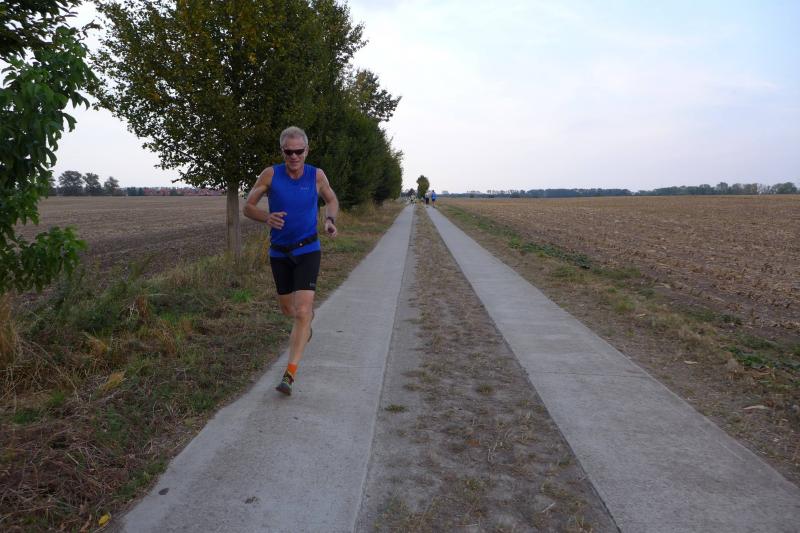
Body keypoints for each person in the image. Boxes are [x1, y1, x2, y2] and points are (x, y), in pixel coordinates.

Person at [243, 126, 339, 396]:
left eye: (299, 151)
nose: (294, 156)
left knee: (303, 310)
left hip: (308, 249)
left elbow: (331, 199)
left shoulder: (316, 175)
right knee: (289, 310)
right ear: (282, 151)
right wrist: (266, 217)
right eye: (289, 152)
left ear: (306, 150)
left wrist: (329, 220)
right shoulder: (270, 174)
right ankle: (305, 326)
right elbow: (248, 206)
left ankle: (289, 374)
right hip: (279, 252)